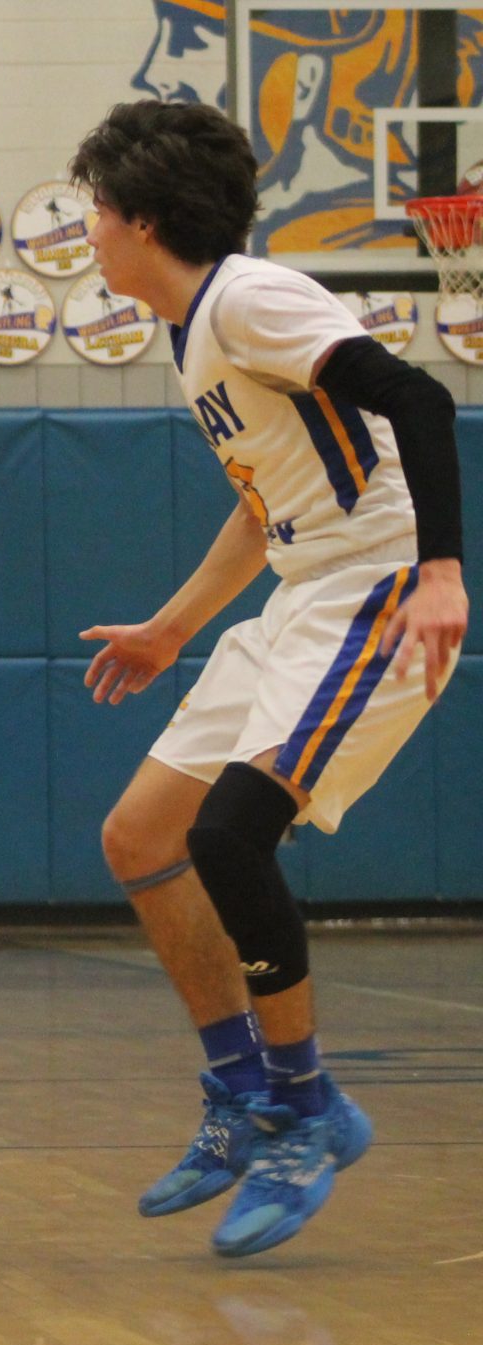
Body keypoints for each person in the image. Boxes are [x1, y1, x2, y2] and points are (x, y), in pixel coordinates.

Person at [71, 100, 467, 1256]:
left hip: (377, 586)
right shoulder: (194, 326)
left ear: (141, 218)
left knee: (231, 835)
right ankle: (243, 1095)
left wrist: (439, 570)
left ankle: (304, 1109)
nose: (85, 229)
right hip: (302, 592)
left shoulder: (248, 296)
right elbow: (264, 509)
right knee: (140, 835)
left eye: (93, 208)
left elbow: (422, 399)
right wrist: (169, 627)